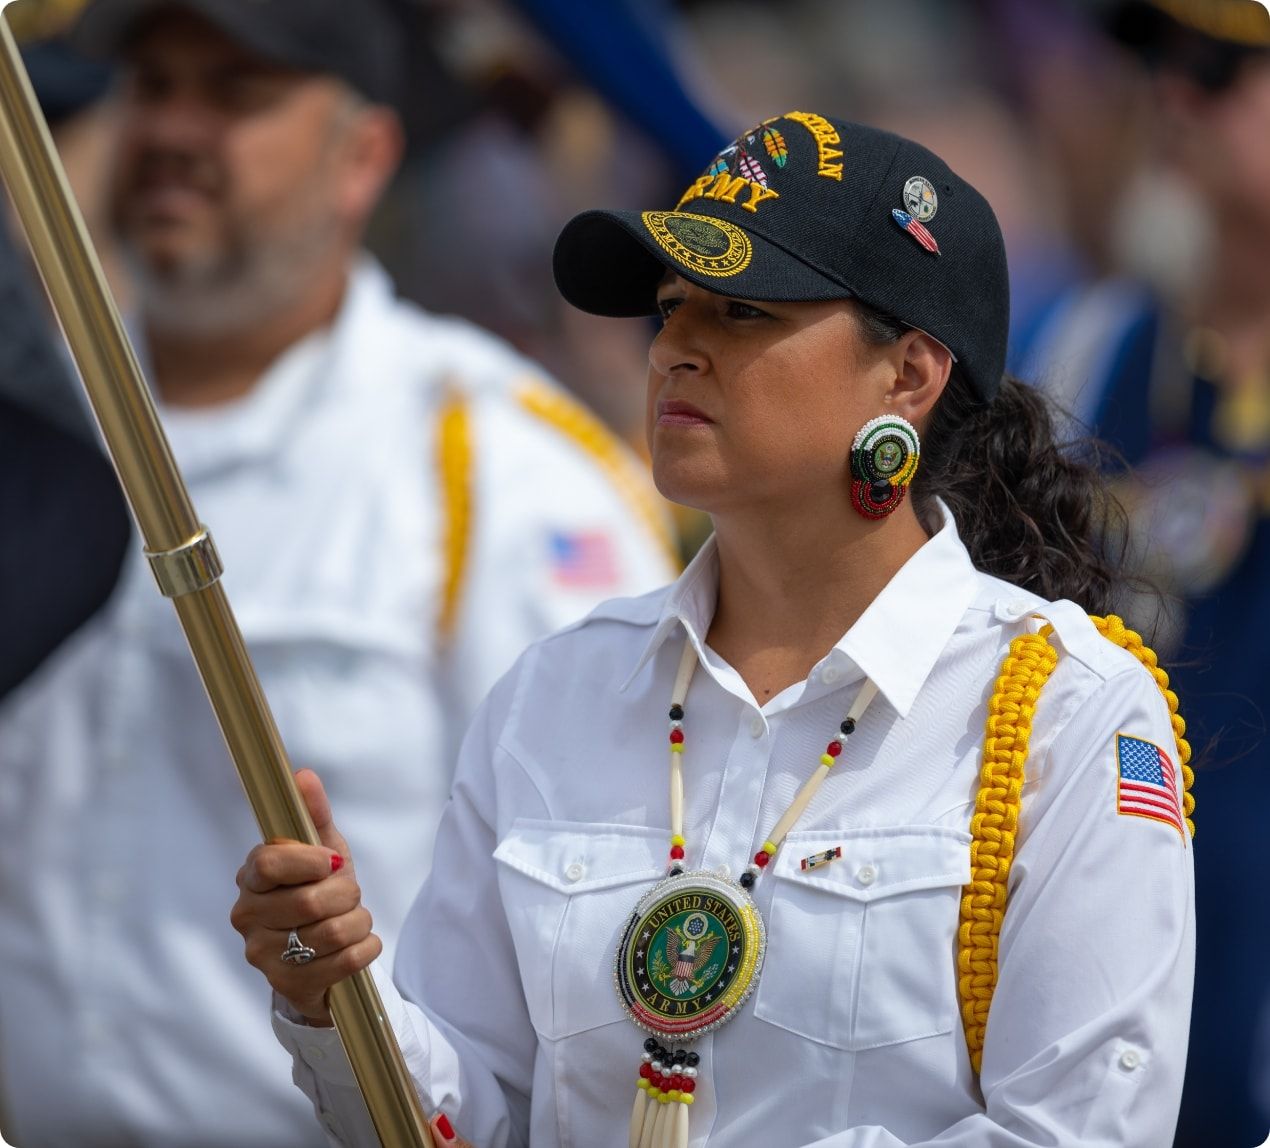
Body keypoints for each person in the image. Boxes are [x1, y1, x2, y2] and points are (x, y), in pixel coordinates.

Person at [232, 112, 1195, 1146]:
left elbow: (1080, 1129)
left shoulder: (1064, 709)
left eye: (739, 311)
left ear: (909, 376)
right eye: (669, 308)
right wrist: (334, 992)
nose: (674, 351)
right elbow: (478, 1107)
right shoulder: (553, 692)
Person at [0, 1, 677, 1145]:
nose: (173, 127)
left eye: (237, 92)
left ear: (361, 155)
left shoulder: (500, 468)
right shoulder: (30, 431)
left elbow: (608, 935)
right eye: (153, 83)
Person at [1010, 3, 1270, 1141]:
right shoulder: (1086, 345)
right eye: (1160, 67)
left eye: (1217, 71)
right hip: (1105, 964)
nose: (1172, 98)